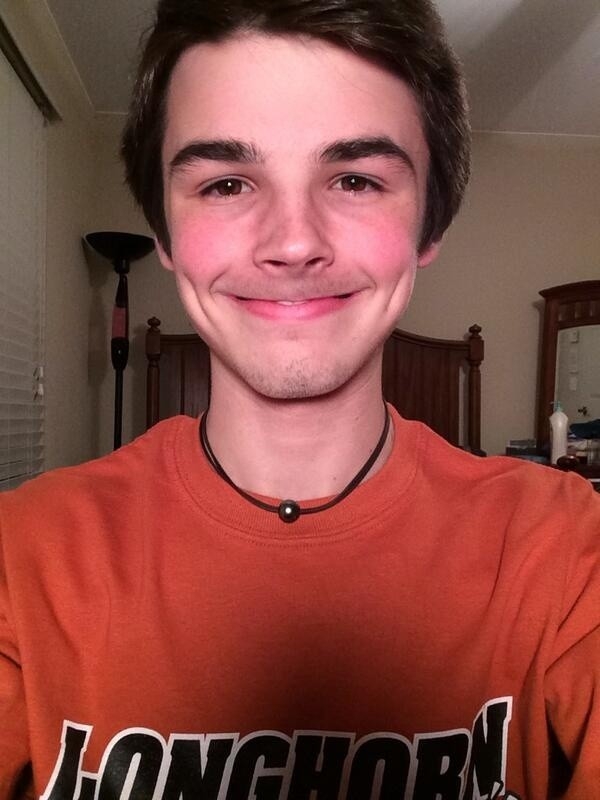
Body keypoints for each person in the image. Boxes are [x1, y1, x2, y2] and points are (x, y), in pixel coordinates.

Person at [1, 0, 599, 797]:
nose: (292, 243)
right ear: (166, 234)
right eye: (225, 183)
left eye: (354, 179)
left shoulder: (564, 549)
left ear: (429, 224)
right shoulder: (22, 557)